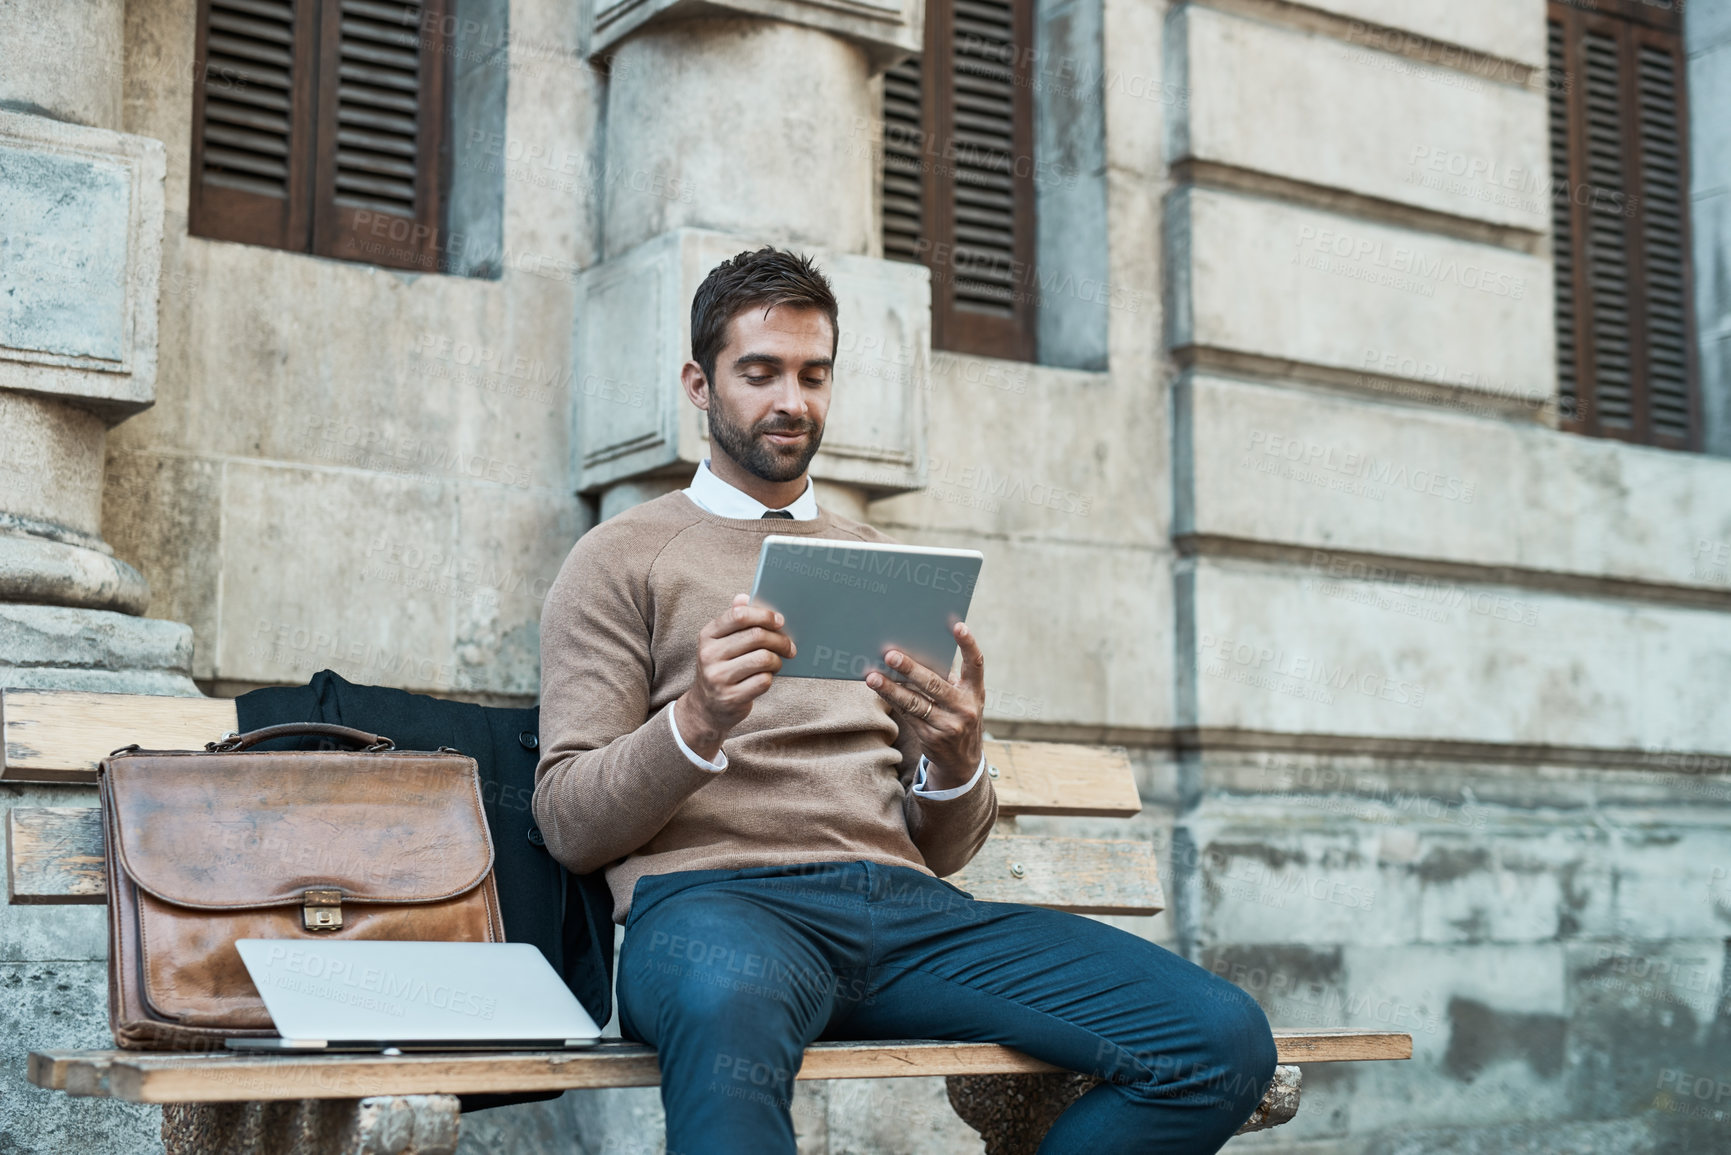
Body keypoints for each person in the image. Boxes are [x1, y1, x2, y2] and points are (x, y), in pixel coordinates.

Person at [532, 247, 1276, 1154]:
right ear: (700, 382)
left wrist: (955, 760)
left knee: (1219, 1040)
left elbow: (945, 849)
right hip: (714, 911)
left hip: (905, 914)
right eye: (759, 372)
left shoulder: (878, 560)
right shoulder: (619, 557)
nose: (791, 400)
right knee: (727, 1016)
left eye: (813, 374)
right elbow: (567, 819)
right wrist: (696, 722)